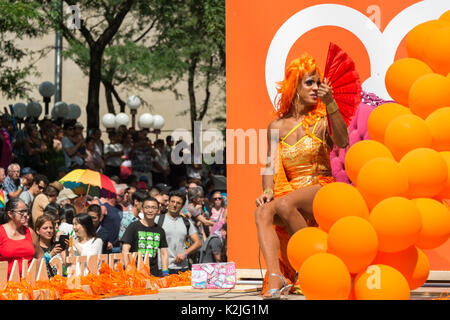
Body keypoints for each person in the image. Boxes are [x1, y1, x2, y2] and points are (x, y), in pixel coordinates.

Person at [254, 54, 349, 299]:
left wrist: (331, 105)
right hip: (290, 192)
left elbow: (343, 141)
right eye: (309, 83)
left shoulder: (322, 119)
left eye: (318, 83)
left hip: (321, 187)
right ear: (294, 86)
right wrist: (266, 192)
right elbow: (270, 165)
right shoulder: (276, 126)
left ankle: (310, 269)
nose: (316, 88)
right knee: (263, 210)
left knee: (286, 203)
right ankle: (276, 276)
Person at [155, 190, 201, 274]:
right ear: (168, 203)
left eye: (178, 203)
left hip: (182, 268)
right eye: (172, 201)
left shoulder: (186, 222)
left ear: (182, 206)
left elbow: (198, 243)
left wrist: (185, 253)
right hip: (162, 267)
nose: (174, 205)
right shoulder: (158, 220)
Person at [121, 196, 169, 277]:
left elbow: (164, 253)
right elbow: (125, 250)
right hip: (135, 274)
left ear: (158, 210)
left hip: (153, 275)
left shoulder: (160, 230)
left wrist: (165, 272)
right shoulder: (133, 226)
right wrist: (128, 269)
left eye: (154, 208)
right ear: (142, 209)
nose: (150, 210)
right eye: (147, 207)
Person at [0, 198, 44, 278]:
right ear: (10, 214)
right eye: (21, 212)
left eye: (26, 211)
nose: (25, 214)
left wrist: (35, 276)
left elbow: (40, 256)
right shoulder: (1, 232)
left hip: (28, 285)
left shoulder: (30, 232)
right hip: (5, 286)